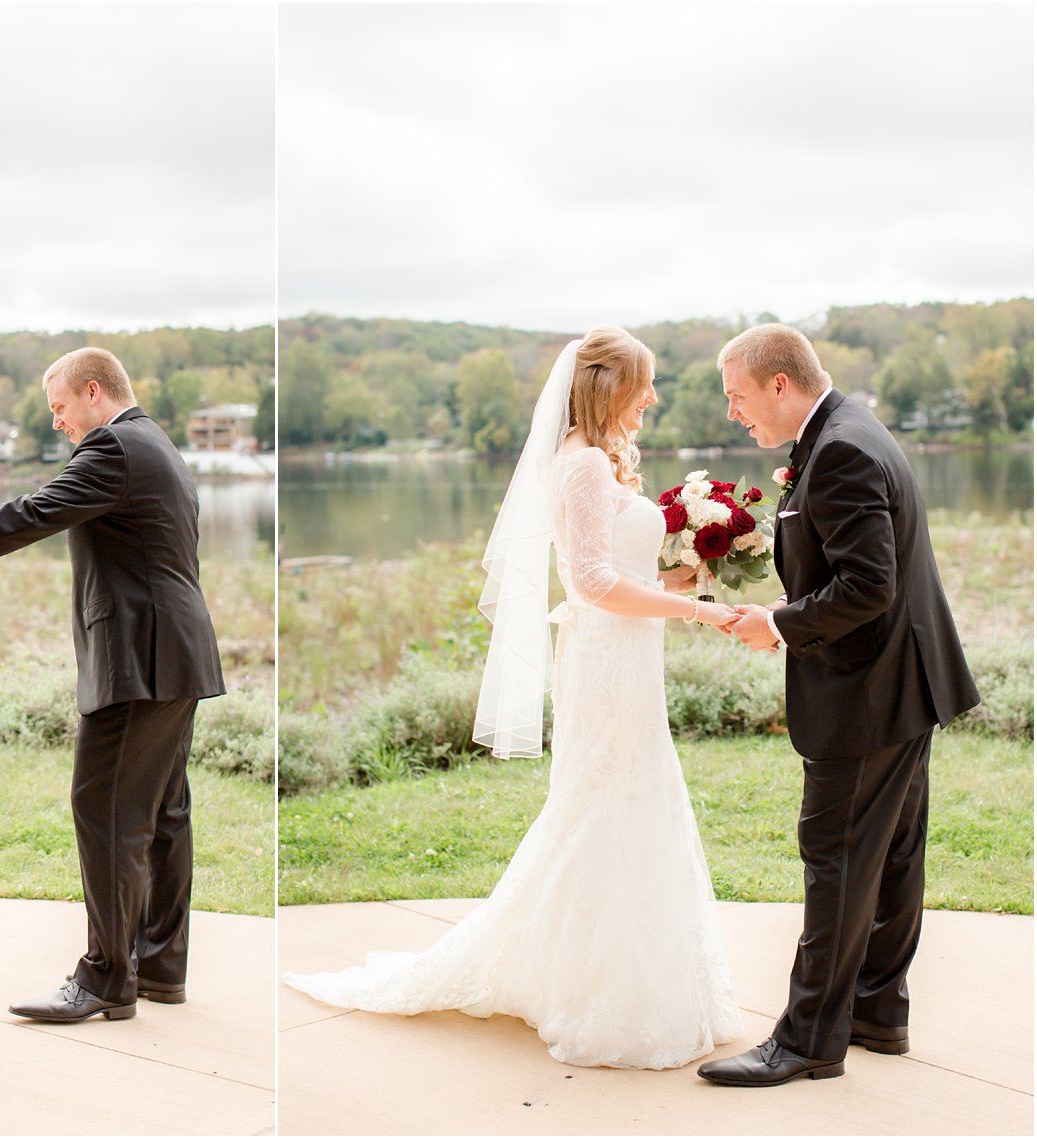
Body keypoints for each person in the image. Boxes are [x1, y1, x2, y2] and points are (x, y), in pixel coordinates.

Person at [284, 328, 744, 1069]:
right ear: (608, 388)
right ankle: (602, 995)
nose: (653, 399)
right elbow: (591, 583)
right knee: (606, 804)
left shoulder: (594, 462)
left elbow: (610, 571)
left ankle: (620, 977)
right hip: (606, 659)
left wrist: (686, 579)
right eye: (644, 385)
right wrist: (698, 612)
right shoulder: (584, 464)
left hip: (627, 652)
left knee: (631, 800)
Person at [0, 346, 224, 1023]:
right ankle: (158, 964)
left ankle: (107, 978)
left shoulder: (114, 447)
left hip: (138, 658)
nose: (58, 423)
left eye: (59, 408)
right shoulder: (158, 444)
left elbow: (29, 512)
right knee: (162, 812)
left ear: (93, 391)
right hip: (177, 652)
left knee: (106, 808)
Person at [697, 324, 980, 1087]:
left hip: (868, 693)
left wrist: (779, 623)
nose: (735, 413)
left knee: (836, 855)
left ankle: (809, 1039)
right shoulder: (848, 429)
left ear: (779, 385)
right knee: (889, 854)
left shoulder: (843, 449)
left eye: (738, 396)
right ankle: (877, 1010)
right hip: (901, 684)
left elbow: (868, 585)